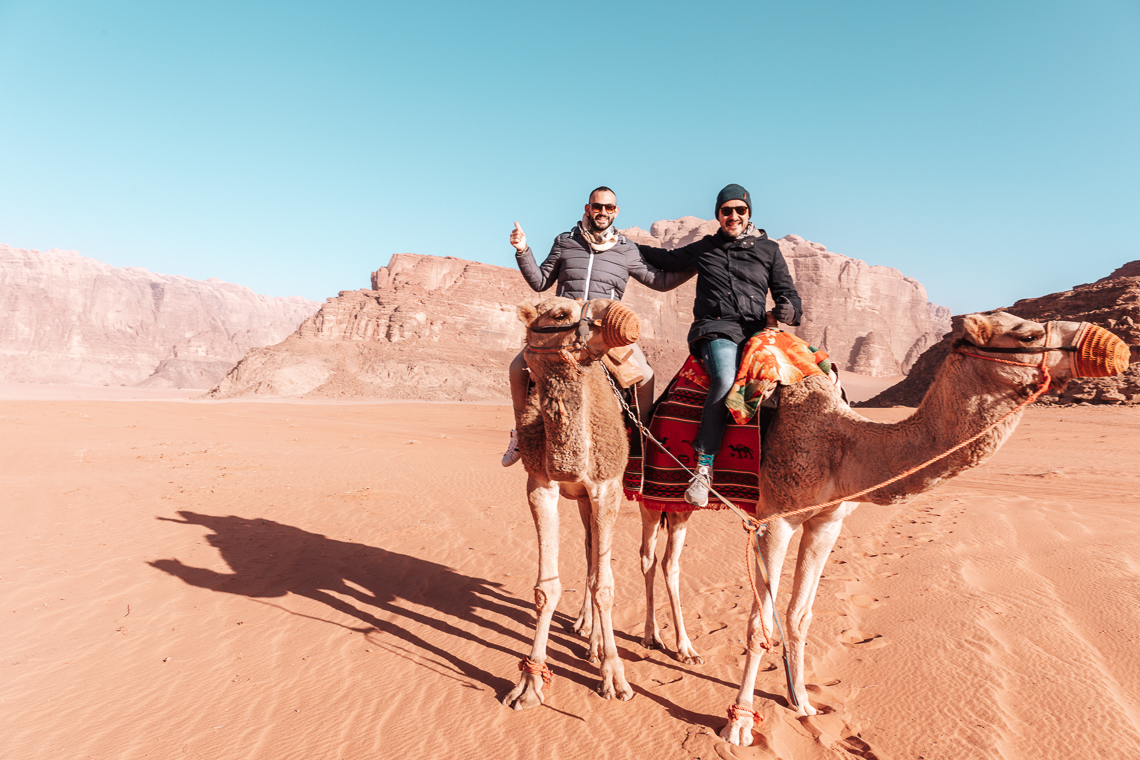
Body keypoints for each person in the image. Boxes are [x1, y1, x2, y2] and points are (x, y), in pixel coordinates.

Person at [635, 183, 802, 506]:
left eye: (740, 210)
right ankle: (704, 465)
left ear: (749, 213)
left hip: (757, 332)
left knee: (800, 379)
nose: (734, 216)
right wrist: (622, 243)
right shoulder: (705, 247)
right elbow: (665, 260)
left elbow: (789, 295)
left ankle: (775, 463)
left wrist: (788, 310)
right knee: (725, 379)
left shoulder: (769, 250)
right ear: (719, 215)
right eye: (727, 210)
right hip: (716, 330)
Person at [502, 186, 694, 467]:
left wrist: (699, 264)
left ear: (616, 211)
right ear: (587, 208)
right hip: (563, 330)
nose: (603, 212)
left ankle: (640, 441)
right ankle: (520, 433)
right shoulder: (565, 241)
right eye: (597, 206)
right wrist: (523, 251)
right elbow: (540, 282)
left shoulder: (627, 249)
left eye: (609, 207)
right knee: (517, 368)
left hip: (606, 331)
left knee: (645, 375)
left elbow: (660, 282)